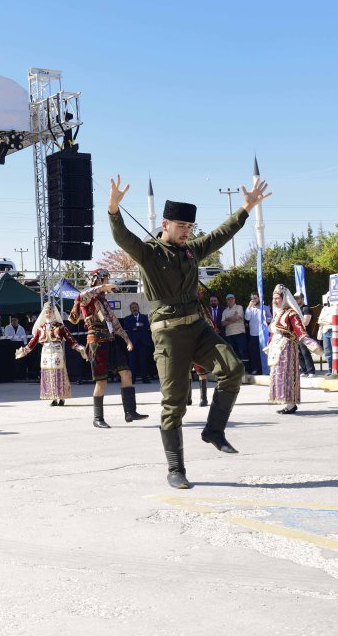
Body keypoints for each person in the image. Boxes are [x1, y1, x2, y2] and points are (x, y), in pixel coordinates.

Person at [108, 174, 268, 489]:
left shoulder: (192, 251)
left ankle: (214, 430)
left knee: (233, 369)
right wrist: (114, 209)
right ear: (165, 224)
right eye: (181, 226)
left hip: (197, 326)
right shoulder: (149, 254)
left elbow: (221, 235)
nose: (187, 232)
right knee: (175, 401)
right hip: (168, 334)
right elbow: (123, 237)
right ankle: (175, 468)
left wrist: (246, 208)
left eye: (190, 228)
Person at [69, 268, 149, 428]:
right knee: (102, 382)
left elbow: (114, 322)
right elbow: (83, 295)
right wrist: (103, 288)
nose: (107, 282)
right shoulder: (87, 298)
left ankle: (130, 412)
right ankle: (98, 418)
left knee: (126, 373)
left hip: (111, 341)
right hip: (96, 342)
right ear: (98, 280)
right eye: (105, 279)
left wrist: (127, 340)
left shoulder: (104, 301)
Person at [266, 285, 323, 414]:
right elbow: (273, 332)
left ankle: (291, 404)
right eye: (273, 298)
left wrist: (312, 344)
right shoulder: (277, 313)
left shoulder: (291, 314)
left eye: (277, 298)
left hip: (287, 348)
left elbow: (300, 332)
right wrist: (269, 345)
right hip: (276, 348)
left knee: (287, 375)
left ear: (284, 298)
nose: (275, 301)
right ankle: (287, 403)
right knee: (277, 375)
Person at [16, 302, 86, 405]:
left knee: (58, 374)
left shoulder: (60, 326)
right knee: (48, 375)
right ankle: (52, 397)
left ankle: (61, 397)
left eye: (50, 312)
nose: (48, 314)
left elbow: (69, 338)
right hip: (46, 354)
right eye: (46, 312)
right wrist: (25, 350)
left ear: (54, 313)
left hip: (57, 351)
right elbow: (34, 341)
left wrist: (77, 347)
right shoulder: (41, 328)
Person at [122, 301, 155, 383]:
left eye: (135, 307)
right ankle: (132, 379)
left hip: (143, 343)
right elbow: (127, 327)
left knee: (143, 361)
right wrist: (139, 325)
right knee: (132, 362)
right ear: (130, 309)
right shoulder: (127, 318)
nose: (134, 309)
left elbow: (146, 327)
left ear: (138, 307)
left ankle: (145, 379)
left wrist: (134, 327)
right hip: (132, 343)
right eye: (132, 308)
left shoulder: (145, 317)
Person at [245, 292, 271, 375]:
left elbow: (271, 318)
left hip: (263, 333)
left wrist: (265, 319)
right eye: (252, 298)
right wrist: (249, 306)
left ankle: (266, 369)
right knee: (255, 353)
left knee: (264, 352)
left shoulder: (265, 307)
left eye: (255, 298)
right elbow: (247, 318)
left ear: (259, 298)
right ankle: (256, 369)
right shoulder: (250, 309)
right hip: (254, 333)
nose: (254, 300)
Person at [220, 294, 248, 371]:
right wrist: (233, 318)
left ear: (234, 299)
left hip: (240, 333)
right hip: (229, 334)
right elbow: (222, 323)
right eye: (228, 299)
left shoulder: (239, 307)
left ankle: (245, 369)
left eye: (232, 298)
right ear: (226, 301)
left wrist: (227, 320)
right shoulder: (225, 311)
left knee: (243, 351)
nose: (230, 300)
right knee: (233, 353)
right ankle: (236, 370)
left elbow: (237, 317)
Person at [296, 293, 319, 376]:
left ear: (302, 298)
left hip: (305, 334)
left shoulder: (306, 309)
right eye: (295, 298)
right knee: (299, 353)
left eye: (298, 298)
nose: (296, 299)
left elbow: (306, 322)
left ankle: (311, 371)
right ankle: (304, 370)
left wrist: (296, 323)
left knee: (305, 352)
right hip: (297, 333)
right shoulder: (296, 309)